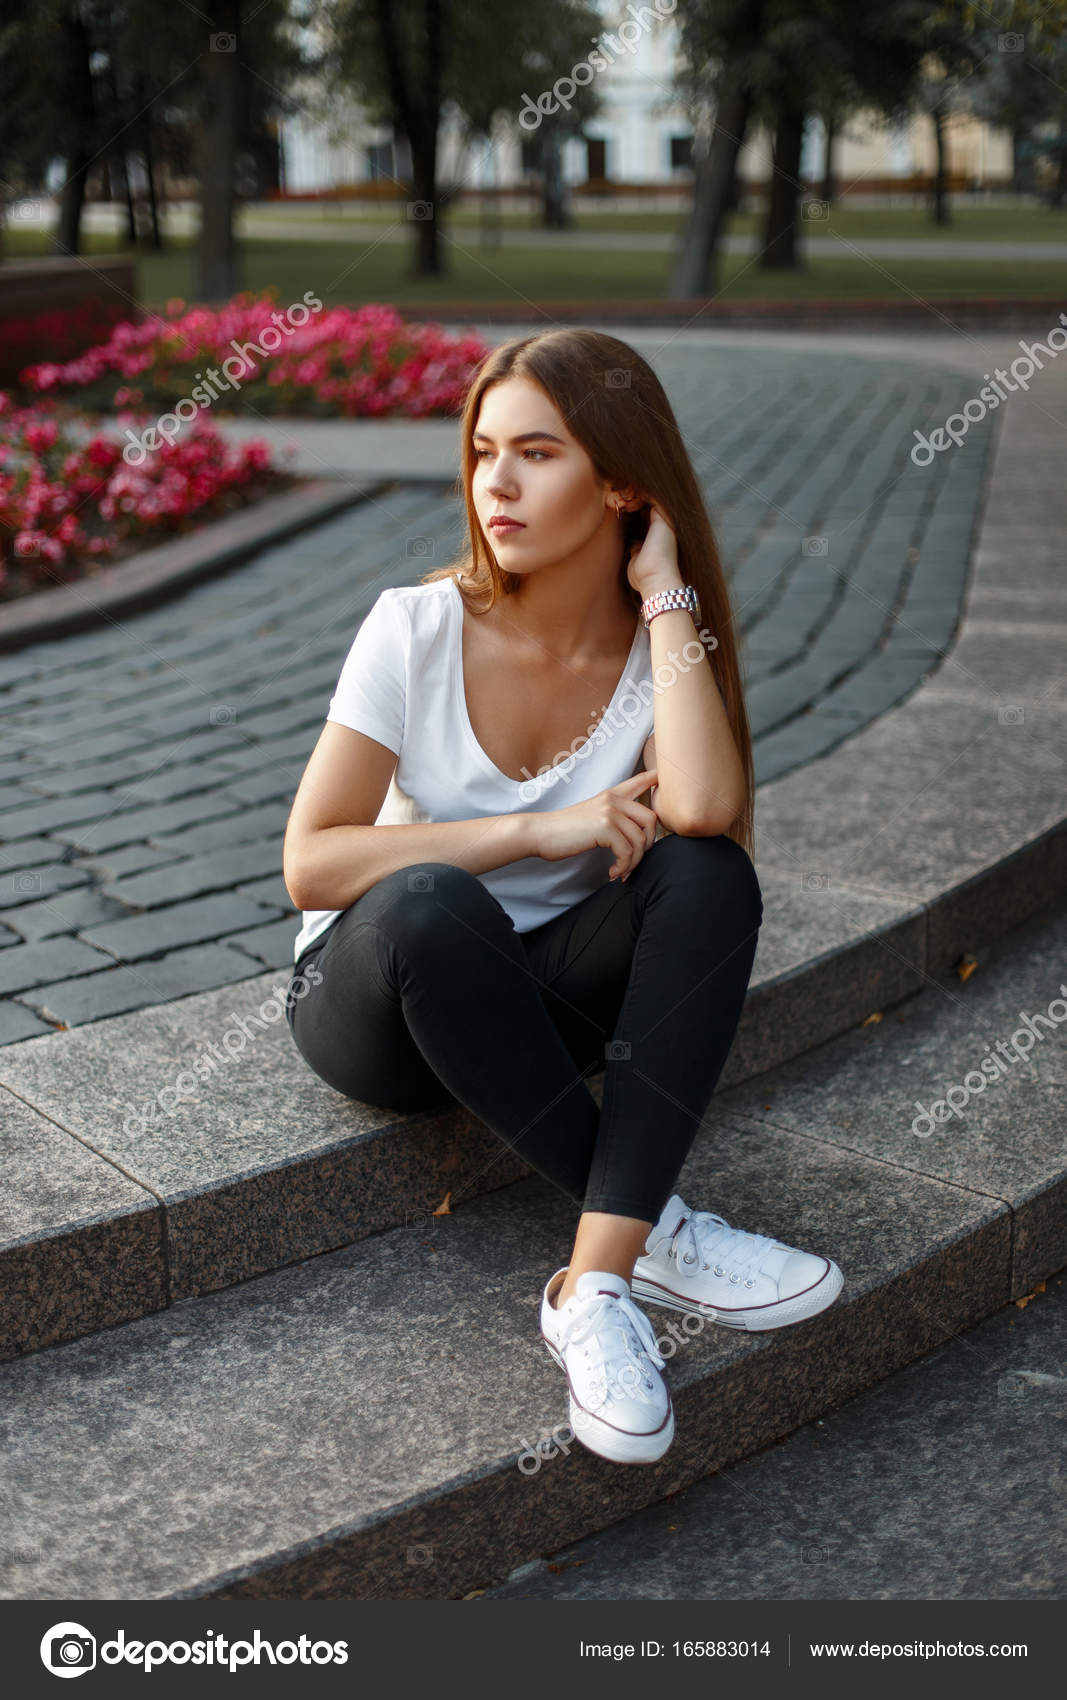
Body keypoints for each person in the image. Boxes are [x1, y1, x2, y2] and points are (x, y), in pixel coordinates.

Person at [282, 328, 843, 1469]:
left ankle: (592, 1285)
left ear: (622, 482)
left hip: (544, 1001)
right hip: (384, 995)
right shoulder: (416, 625)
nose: (494, 482)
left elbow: (699, 806)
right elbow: (313, 861)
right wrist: (541, 829)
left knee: (707, 871)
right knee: (434, 900)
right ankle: (659, 1225)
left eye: (535, 452)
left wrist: (664, 591)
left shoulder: (660, 644)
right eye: (484, 450)